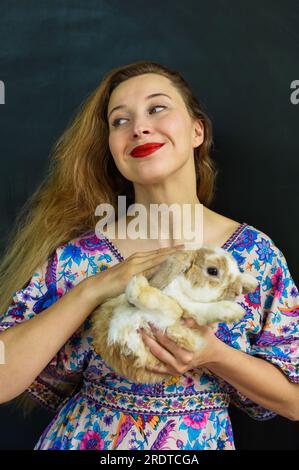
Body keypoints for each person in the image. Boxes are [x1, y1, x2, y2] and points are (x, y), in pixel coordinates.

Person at [0, 60, 298, 451]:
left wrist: (212, 355)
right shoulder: (81, 258)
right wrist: (92, 289)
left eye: (157, 108)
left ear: (197, 131)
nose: (138, 126)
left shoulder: (255, 256)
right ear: (113, 150)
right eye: (119, 121)